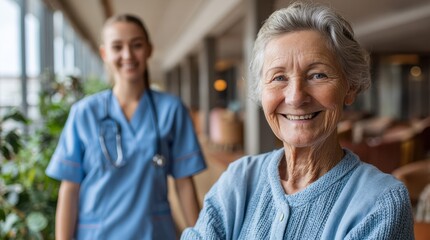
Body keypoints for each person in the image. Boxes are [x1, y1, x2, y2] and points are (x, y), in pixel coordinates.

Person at [181, 2, 414, 239]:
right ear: (262, 91)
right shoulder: (239, 178)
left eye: (317, 75)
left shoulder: (380, 202)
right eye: (279, 77)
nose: (295, 97)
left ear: (350, 87)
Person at [46, 13, 206, 239]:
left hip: (152, 232)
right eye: (117, 47)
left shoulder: (171, 109)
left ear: (149, 49)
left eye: (136, 45)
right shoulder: (84, 113)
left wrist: (201, 235)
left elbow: (184, 184)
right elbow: (69, 189)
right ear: (104, 53)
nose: (128, 55)